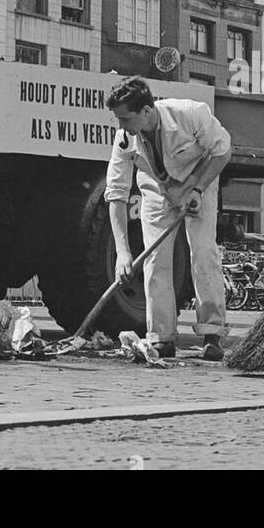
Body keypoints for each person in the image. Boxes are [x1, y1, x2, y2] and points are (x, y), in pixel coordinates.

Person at [104, 75, 232, 360]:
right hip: (157, 190)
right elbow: (116, 193)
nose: (120, 126)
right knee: (155, 259)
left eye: (125, 118)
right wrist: (123, 253)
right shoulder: (125, 138)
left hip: (199, 181)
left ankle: (212, 333)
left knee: (202, 253)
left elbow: (223, 150)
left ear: (146, 112)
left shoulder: (190, 113)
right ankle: (161, 336)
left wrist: (196, 188)